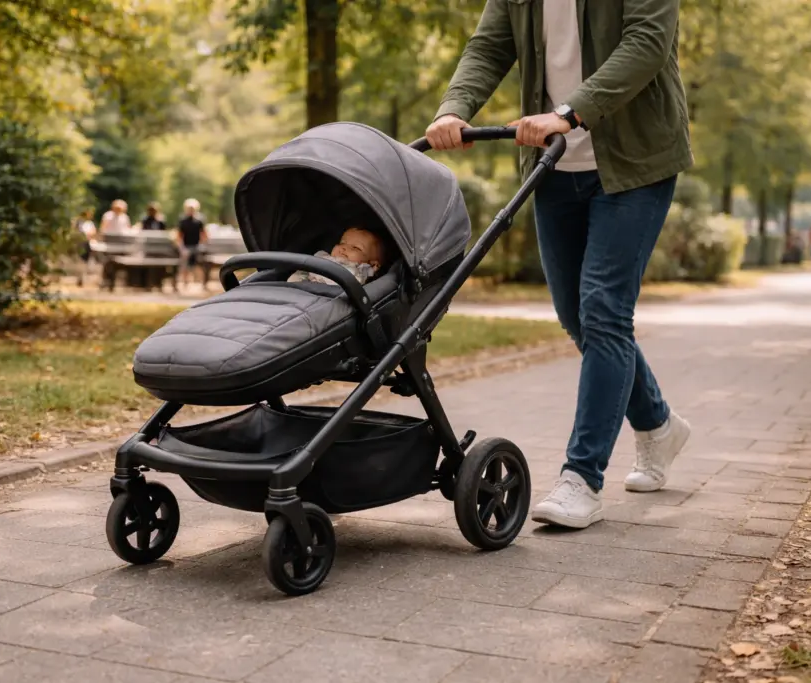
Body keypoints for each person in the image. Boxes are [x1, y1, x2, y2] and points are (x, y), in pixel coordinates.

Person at [425, 0, 693, 529]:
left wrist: (570, 112)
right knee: (578, 316)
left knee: (604, 311)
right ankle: (658, 425)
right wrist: (453, 108)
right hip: (552, 162)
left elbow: (645, 45)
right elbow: (489, 46)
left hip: (635, 162)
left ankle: (582, 479)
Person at [289, 227, 385, 285]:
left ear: (373, 265)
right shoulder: (322, 256)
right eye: (342, 243)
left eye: (356, 248)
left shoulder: (361, 271)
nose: (344, 248)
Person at [177, 199, 207, 288]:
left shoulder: (199, 221)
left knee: (200, 261)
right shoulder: (182, 221)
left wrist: (202, 245)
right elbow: (179, 236)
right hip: (186, 246)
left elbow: (204, 235)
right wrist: (181, 247)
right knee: (185, 260)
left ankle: (201, 282)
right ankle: (185, 282)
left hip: (197, 246)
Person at [75, 209, 96, 287]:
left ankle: (82, 277)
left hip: (87, 243)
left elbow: (93, 232)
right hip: (80, 243)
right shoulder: (78, 223)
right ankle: (80, 277)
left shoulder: (90, 223)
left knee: (85, 261)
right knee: (80, 261)